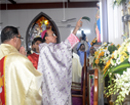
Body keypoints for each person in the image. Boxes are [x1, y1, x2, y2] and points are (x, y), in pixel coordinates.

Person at [38, 18, 82, 105]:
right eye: (52, 34)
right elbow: (66, 45)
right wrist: (76, 28)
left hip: (53, 86)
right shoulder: (47, 49)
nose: (56, 36)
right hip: (51, 88)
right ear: (46, 38)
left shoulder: (47, 49)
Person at [0, 26, 43, 105]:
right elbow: (33, 88)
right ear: (15, 38)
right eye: (20, 38)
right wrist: (23, 58)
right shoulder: (19, 60)